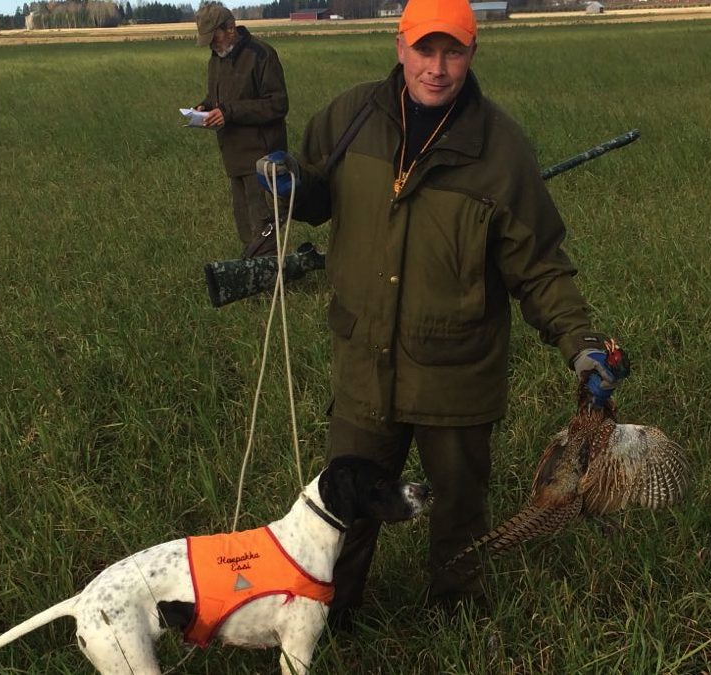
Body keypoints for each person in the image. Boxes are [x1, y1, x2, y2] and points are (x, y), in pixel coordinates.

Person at [255, 0, 629, 620]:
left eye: (452, 51)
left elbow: (539, 265)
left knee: (458, 510)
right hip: (362, 366)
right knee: (341, 510)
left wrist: (581, 342)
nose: (437, 67)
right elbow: (319, 193)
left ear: (472, 53)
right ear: (399, 48)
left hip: (456, 377)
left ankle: (455, 620)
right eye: (424, 50)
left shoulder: (502, 150)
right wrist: (291, 181)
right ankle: (329, 619)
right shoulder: (348, 119)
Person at [194, 3, 289, 257]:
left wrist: (229, 111)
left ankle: (271, 283)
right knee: (245, 226)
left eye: (214, 37)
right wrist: (205, 107)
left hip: (261, 158)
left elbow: (278, 105)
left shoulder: (262, 55)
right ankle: (254, 280)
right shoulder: (216, 59)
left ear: (231, 28)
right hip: (233, 158)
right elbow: (221, 97)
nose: (211, 45)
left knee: (264, 227)